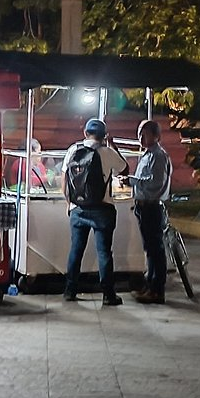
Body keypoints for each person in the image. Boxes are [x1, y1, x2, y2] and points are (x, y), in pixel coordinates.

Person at [62, 118, 129, 306]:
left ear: (85, 133)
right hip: (103, 209)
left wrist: (69, 203)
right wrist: (112, 145)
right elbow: (125, 169)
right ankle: (108, 295)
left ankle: (70, 291)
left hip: (78, 209)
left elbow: (64, 180)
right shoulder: (107, 152)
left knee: (76, 251)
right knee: (104, 253)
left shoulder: (73, 150)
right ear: (104, 136)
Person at [125, 119, 172, 305]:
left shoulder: (158, 156)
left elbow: (155, 183)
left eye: (144, 134)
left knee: (155, 250)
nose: (140, 138)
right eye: (139, 133)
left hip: (152, 207)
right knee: (150, 249)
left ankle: (157, 290)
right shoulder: (147, 154)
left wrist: (132, 181)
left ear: (156, 136)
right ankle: (149, 286)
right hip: (143, 206)